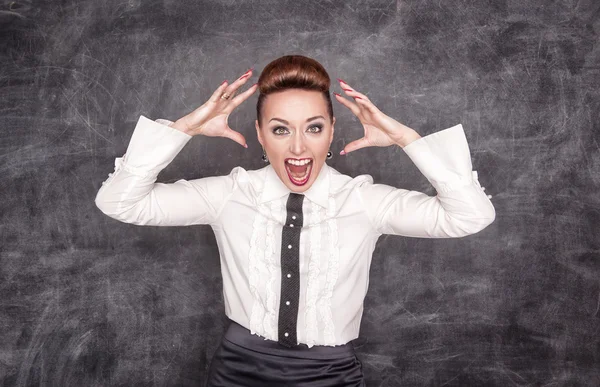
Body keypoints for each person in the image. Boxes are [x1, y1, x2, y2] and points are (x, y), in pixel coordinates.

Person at [95, 54, 495, 386]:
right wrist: (184, 130)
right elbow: (119, 203)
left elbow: (470, 216)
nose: (299, 146)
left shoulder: (364, 200)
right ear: (261, 134)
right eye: (281, 129)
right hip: (238, 372)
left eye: (314, 128)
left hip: (331, 374)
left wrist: (407, 138)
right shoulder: (229, 194)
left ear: (332, 130)